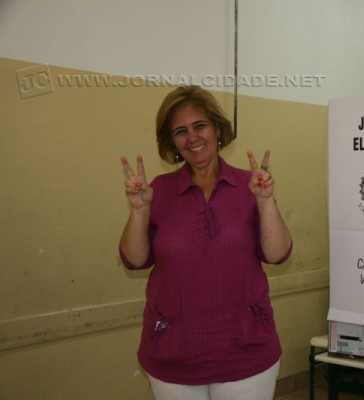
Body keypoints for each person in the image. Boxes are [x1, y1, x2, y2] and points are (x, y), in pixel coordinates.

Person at [118, 85, 292, 400]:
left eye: (200, 126)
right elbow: (134, 259)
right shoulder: (159, 190)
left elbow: (278, 254)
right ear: (172, 142)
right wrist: (139, 211)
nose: (192, 137)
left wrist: (266, 201)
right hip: (173, 355)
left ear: (217, 129)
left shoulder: (250, 185)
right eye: (180, 131)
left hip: (246, 352)